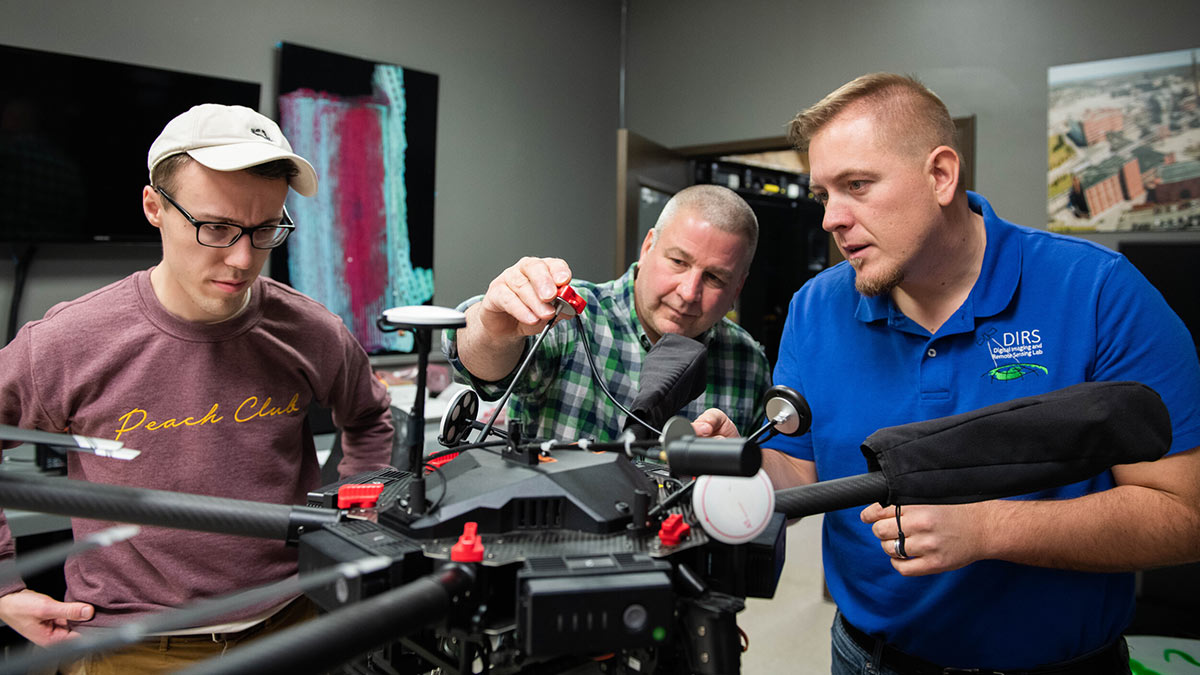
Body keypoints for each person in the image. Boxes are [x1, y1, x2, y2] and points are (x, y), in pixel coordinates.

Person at [693, 73, 1200, 674]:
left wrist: (988, 529)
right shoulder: (815, 307)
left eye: (857, 185)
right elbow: (801, 469)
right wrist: (744, 465)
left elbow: (1184, 515)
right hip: (866, 657)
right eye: (824, 193)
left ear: (941, 175)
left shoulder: (1098, 292)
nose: (831, 218)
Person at [0, 104, 395, 671]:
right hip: (133, 648)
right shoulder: (68, 342)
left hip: (297, 625)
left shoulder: (310, 331)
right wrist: (5, 590)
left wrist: (355, 520)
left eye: (265, 230)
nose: (243, 259)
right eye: (216, 228)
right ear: (154, 207)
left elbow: (369, 417)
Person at [443, 184, 771, 442]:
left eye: (714, 278)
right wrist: (492, 327)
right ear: (648, 248)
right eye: (678, 262)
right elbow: (481, 367)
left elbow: (772, 497)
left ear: (737, 288)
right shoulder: (571, 317)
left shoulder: (749, 362)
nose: (688, 293)